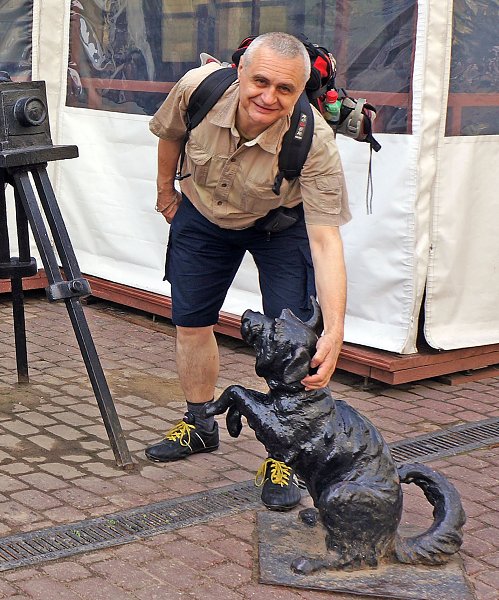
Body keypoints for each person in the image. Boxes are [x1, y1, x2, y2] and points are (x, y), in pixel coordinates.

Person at [145, 32, 351, 511]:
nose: (269, 97)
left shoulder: (314, 142)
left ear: (299, 91)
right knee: (191, 322)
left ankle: (285, 457)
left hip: (280, 226)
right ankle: (200, 424)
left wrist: (336, 330)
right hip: (202, 213)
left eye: (285, 89)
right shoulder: (198, 87)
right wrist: (165, 192)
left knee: (294, 341)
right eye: (260, 81)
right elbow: (170, 134)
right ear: (239, 72)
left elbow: (325, 240)